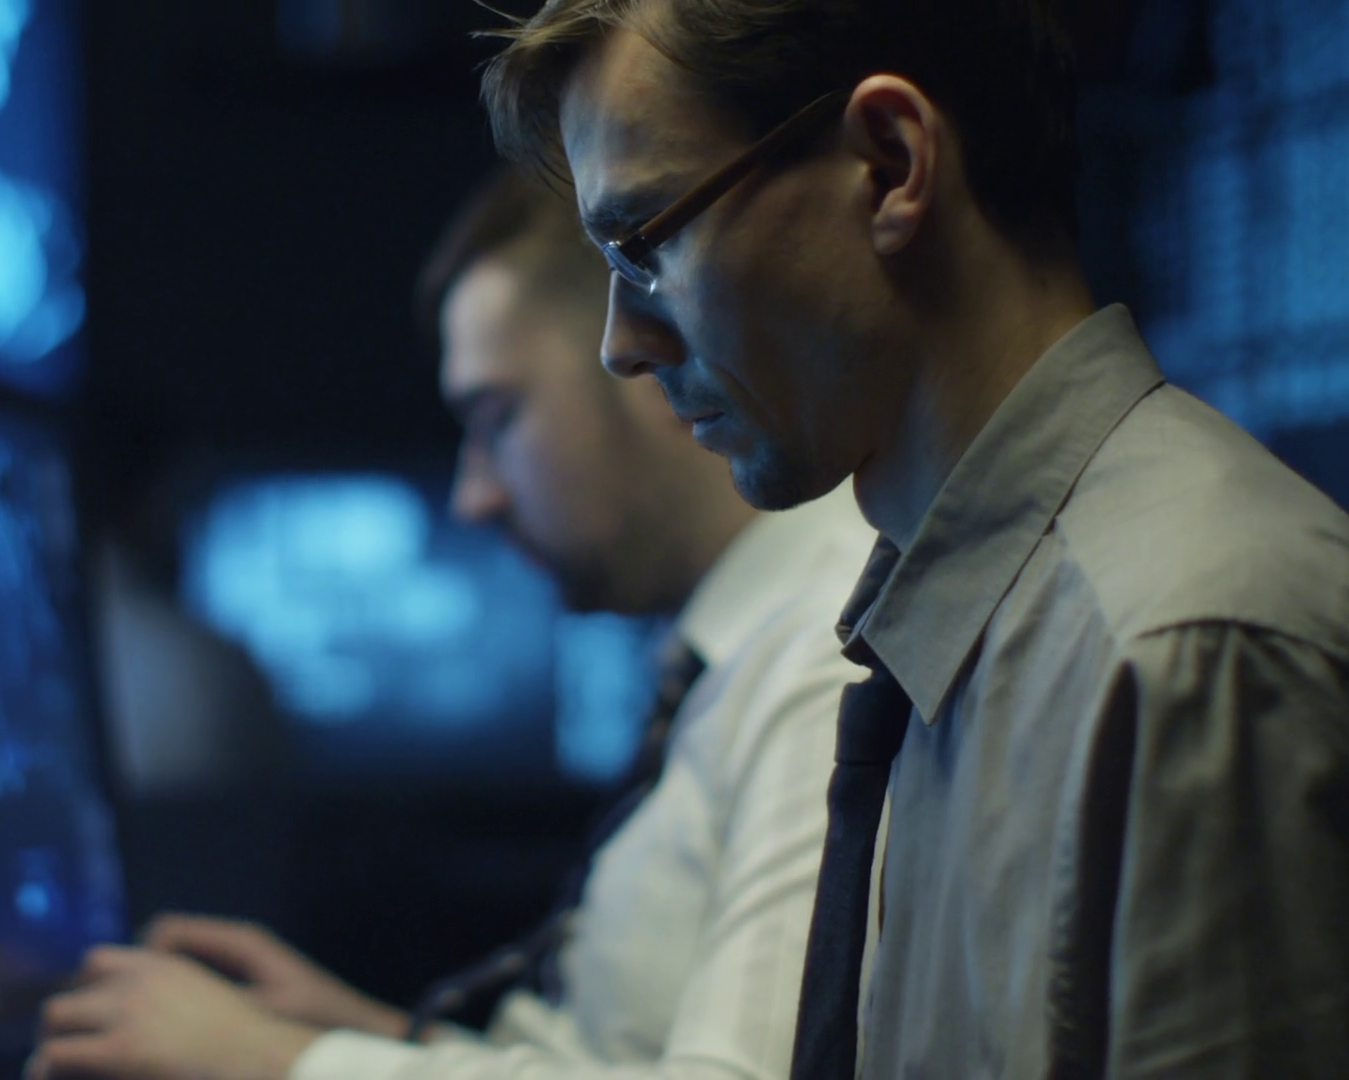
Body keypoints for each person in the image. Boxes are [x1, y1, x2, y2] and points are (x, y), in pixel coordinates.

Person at [477, 0, 1349, 1075]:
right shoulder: (974, 616)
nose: (623, 343)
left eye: (647, 239)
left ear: (890, 165)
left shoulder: (1186, 644)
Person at [25, 169, 877, 1080]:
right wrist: (378, 1038)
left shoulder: (828, 650)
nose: (473, 497)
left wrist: (285, 1061)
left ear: (649, 356)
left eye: (497, 418)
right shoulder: (739, 656)